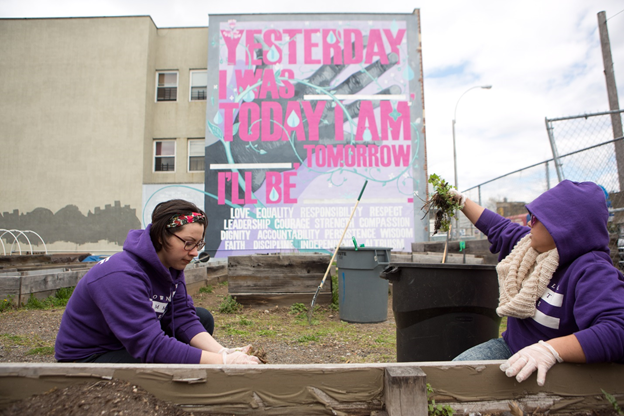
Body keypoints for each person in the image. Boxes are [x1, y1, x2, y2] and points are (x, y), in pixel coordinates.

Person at [450, 180, 624, 386]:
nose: (529, 223)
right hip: (512, 348)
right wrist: (462, 201)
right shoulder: (530, 248)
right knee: (453, 376)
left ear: (563, 228)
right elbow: (497, 226)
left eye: (537, 219)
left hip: (557, 369)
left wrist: (550, 350)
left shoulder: (592, 270)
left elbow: (618, 330)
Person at [55, 199, 260, 365]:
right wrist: (222, 362)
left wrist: (223, 351)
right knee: (160, 359)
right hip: (90, 356)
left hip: (126, 342)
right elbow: (150, 344)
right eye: (188, 243)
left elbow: (182, 316)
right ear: (162, 236)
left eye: (198, 244)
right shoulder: (121, 274)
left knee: (201, 318)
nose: (195, 252)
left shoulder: (171, 267)